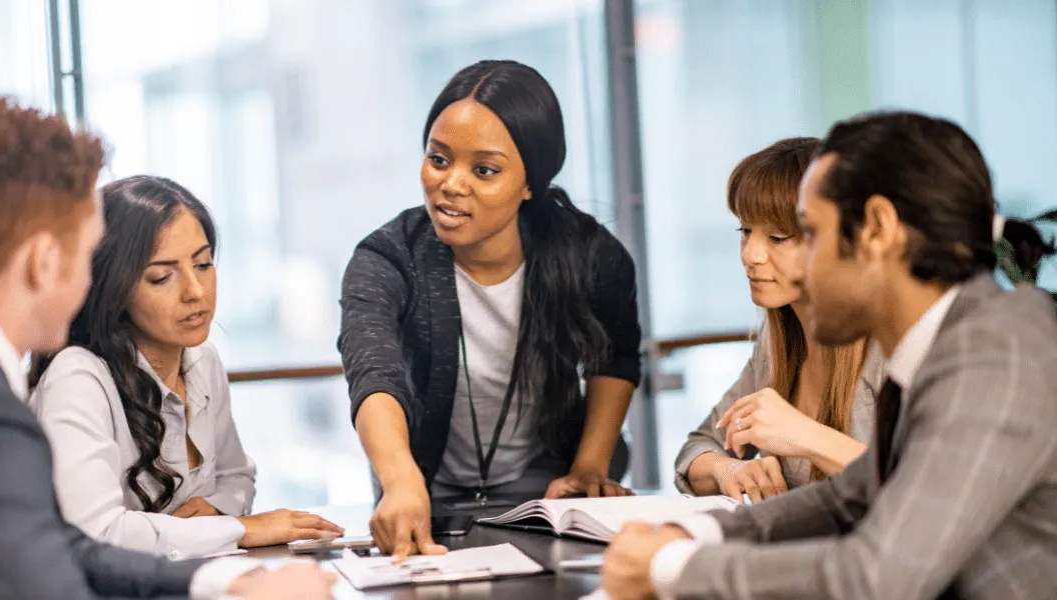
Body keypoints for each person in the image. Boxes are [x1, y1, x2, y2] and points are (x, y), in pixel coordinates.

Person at [0, 98, 335, 599]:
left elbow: (63, 548)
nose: (94, 282)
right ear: (43, 262)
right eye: (88, 254)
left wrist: (223, 582)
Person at [599, 111, 1057, 600]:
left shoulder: (997, 356)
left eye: (808, 235)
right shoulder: (945, 342)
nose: (800, 269)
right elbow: (846, 496)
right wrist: (696, 535)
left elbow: (875, 577)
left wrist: (672, 568)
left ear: (878, 229)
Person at [338, 59, 642, 558]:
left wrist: (590, 467)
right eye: (439, 160)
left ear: (530, 182)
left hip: (548, 489)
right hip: (425, 488)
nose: (452, 184)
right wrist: (399, 478)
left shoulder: (591, 254)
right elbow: (374, 371)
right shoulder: (389, 257)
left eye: (484, 170)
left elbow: (617, 357)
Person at [28, 175, 344, 559]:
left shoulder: (202, 359)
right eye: (162, 276)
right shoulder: (78, 376)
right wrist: (237, 529)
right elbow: (95, 531)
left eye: (204, 263)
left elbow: (236, 477)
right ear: (114, 287)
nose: (196, 290)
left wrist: (216, 513)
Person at [674, 137, 883, 502]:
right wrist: (730, 470)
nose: (750, 254)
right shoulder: (775, 344)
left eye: (777, 236)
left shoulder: (889, 347)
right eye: (745, 231)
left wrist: (804, 436)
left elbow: (923, 488)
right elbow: (699, 448)